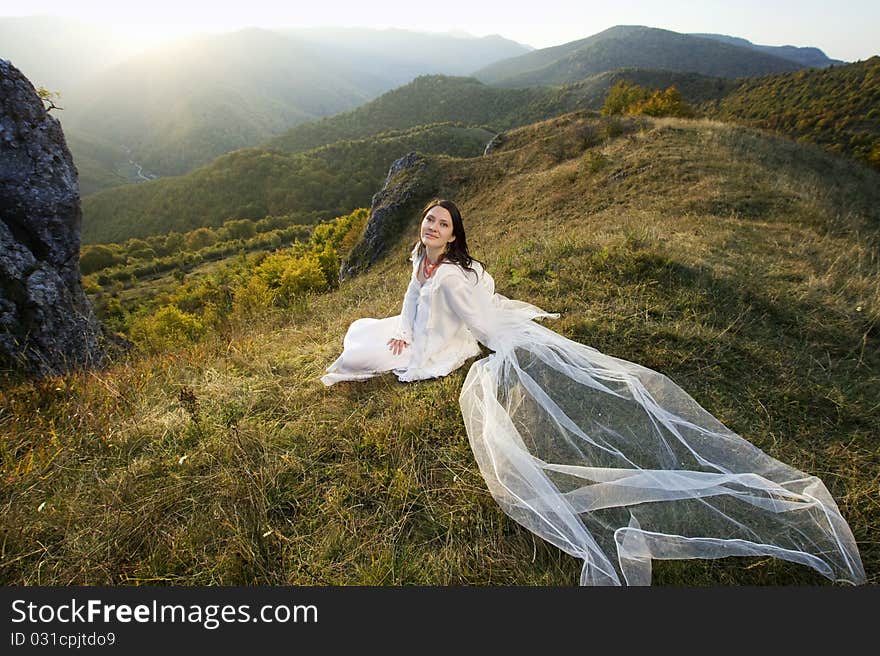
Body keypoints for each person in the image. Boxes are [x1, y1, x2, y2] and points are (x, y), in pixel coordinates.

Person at [322, 199, 866, 586]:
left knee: (360, 354)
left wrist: (429, 350)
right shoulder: (420, 259)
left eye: (441, 224)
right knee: (364, 338)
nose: (432, 227)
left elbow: (478, 324)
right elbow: (411, 301)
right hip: (414, 329)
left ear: (455, 235)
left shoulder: (450, 279)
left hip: (439, 340)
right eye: (428, 220)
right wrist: (404, 329)